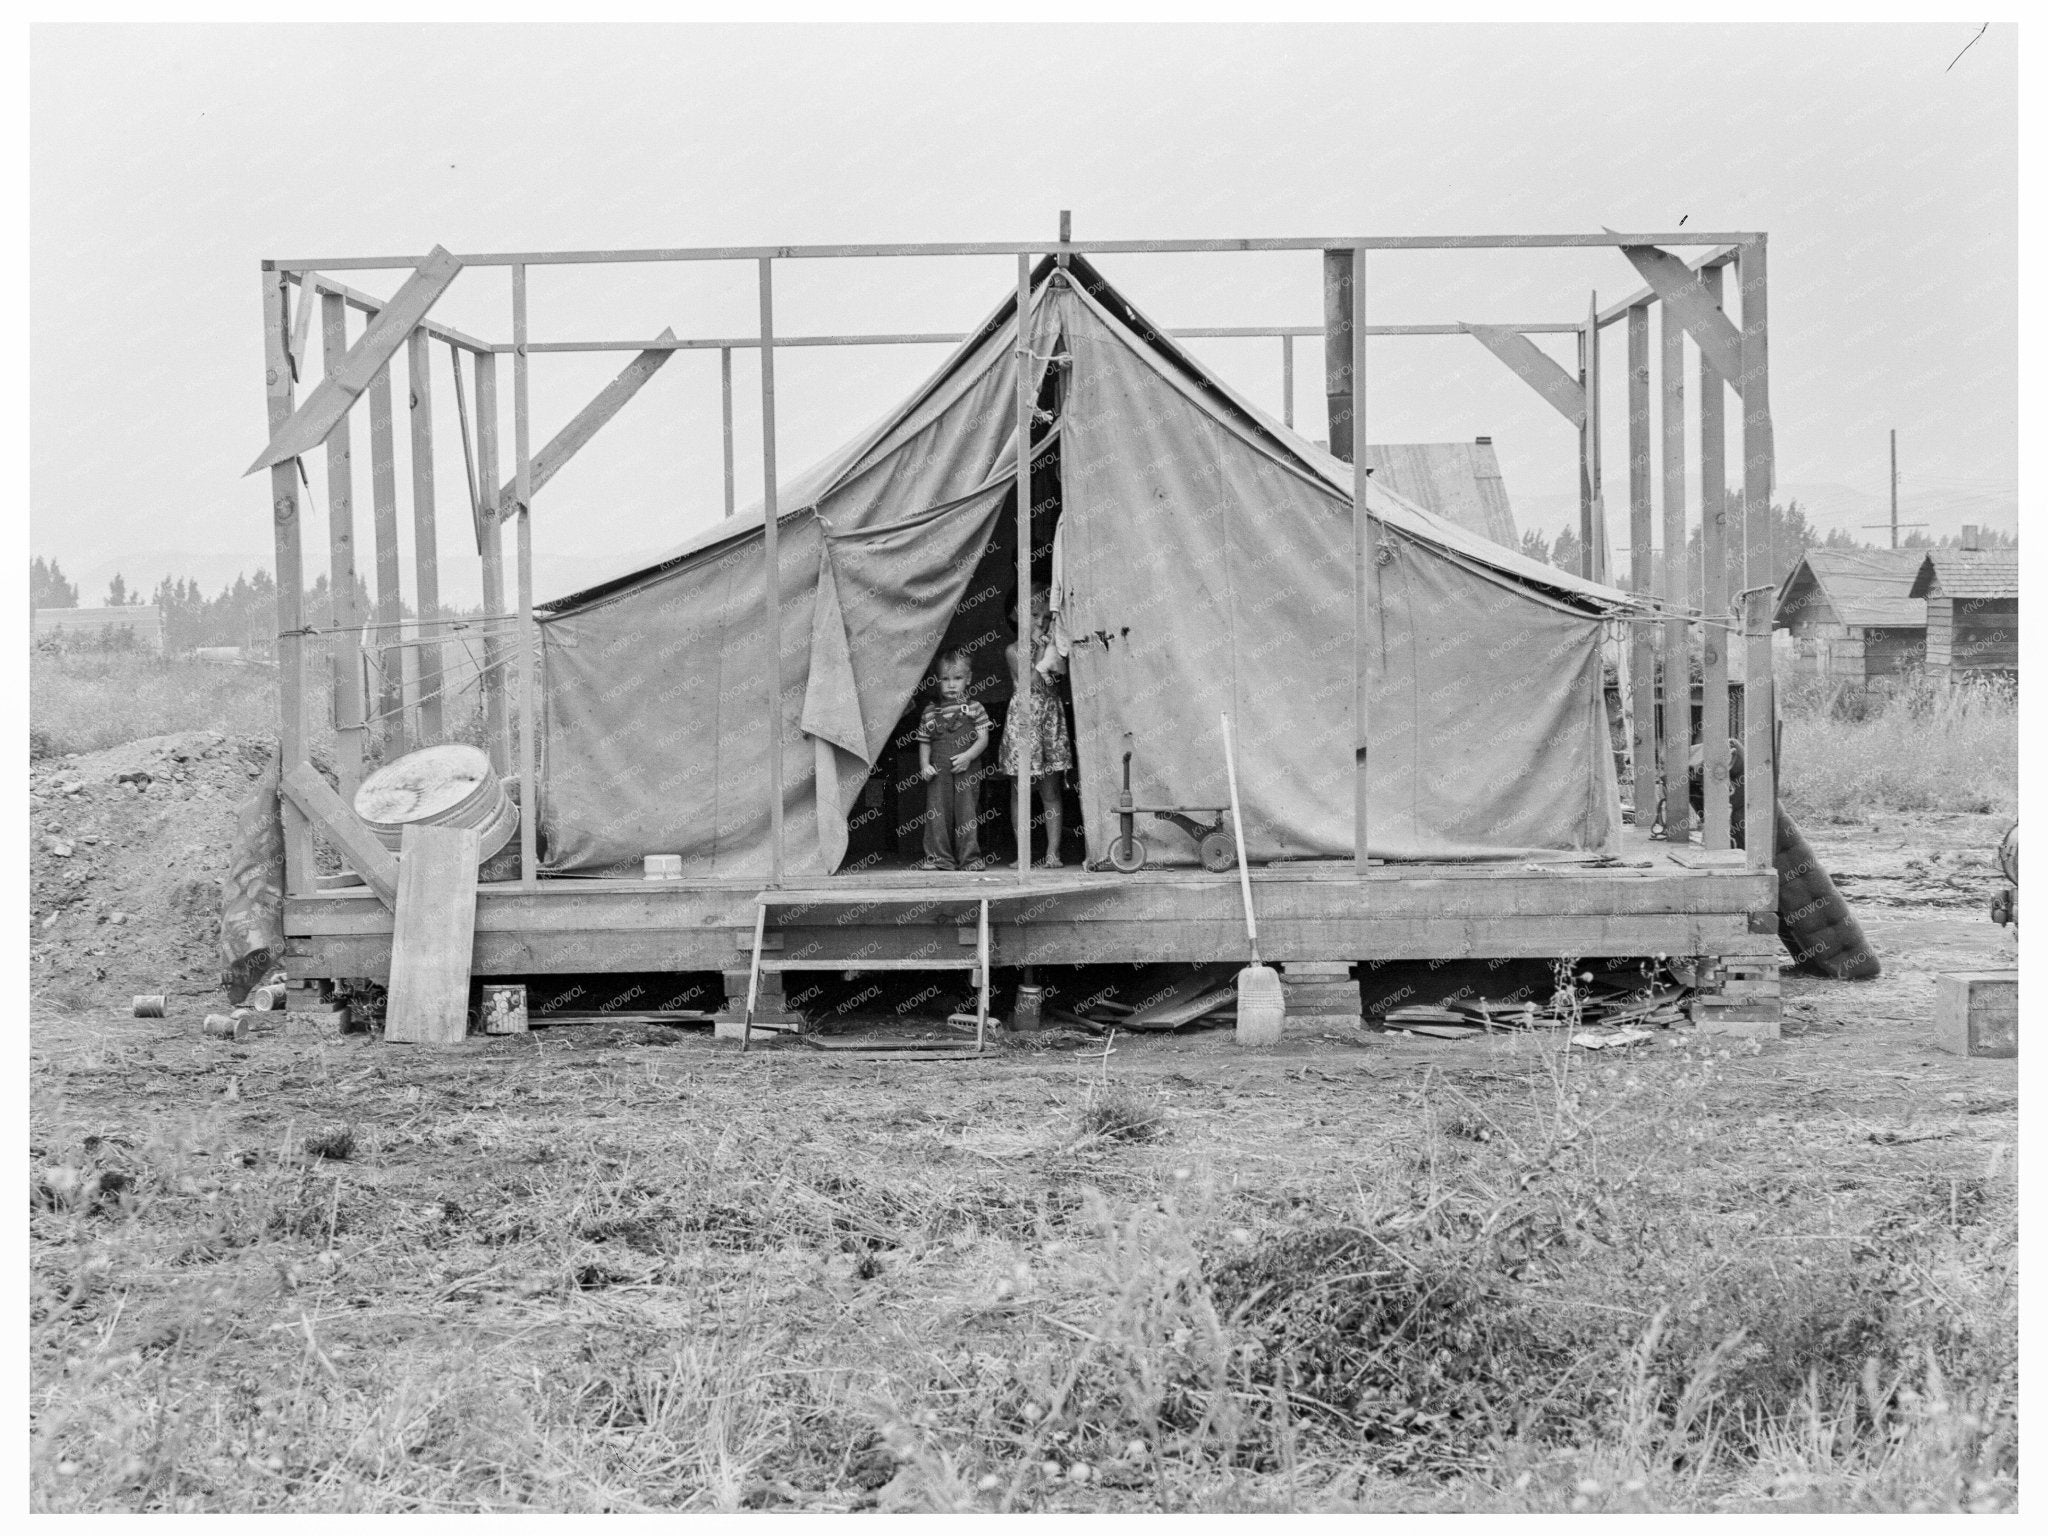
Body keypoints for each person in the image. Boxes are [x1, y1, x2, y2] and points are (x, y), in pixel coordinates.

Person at [998, 590, 1073, 866]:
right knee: (1021, 789)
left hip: (1049, 720)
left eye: (1046, 616)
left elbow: (1053, 683)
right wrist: (1041, 651)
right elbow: (1031, 683)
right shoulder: (1012, 651)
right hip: (1023, 721)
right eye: (1034, 615)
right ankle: (1023, 854)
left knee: (1050, 790)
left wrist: (1049, 650)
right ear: (1017, 615)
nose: (1041, 622)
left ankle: (1053, 853)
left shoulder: (1055, 650)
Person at [915, 651, 992, 871]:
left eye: (957, 679)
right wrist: (924, 765)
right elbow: (924, 741)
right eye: (945, 679)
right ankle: (939, 858)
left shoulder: (976, 708)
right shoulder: (930, 711)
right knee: (937, 813)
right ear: (937, 680)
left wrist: (969, 756)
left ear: (968, 679)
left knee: (967, 812)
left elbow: (983, 738)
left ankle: (970, 858)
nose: (951, 685)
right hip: (939, 772)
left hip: (967, 769)